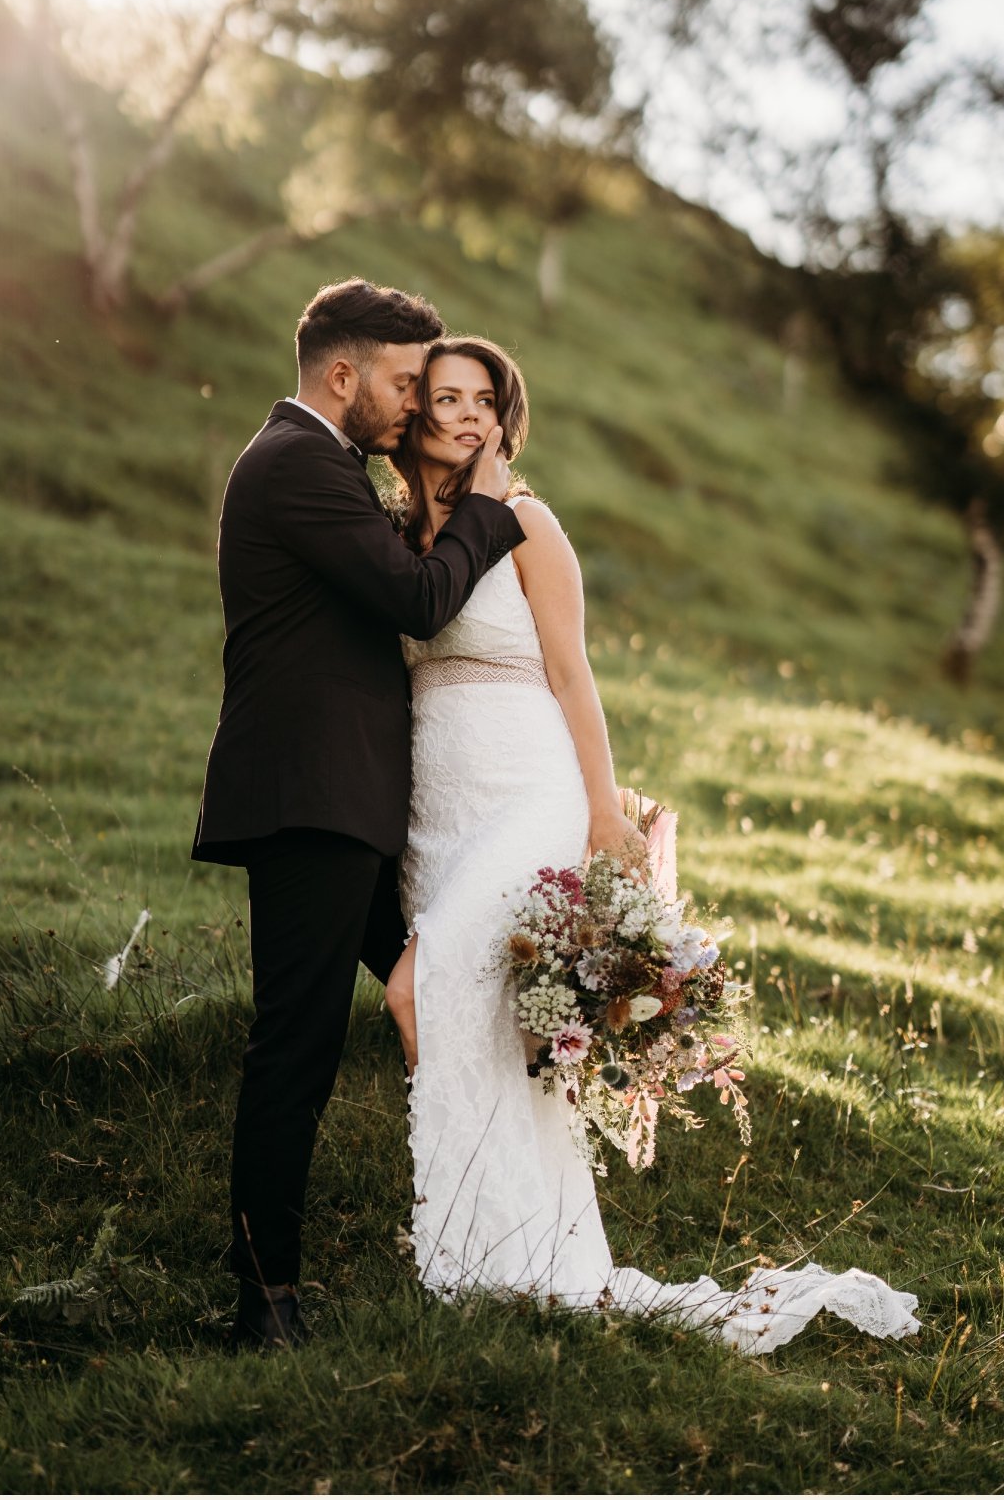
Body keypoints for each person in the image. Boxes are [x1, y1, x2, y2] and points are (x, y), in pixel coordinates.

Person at [383, 337, 921, 1354]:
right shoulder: (402, 537)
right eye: (443, 397)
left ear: (505, 418)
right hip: (440, 817)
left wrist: (601, 809)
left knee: (421, 989)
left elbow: (574, 676)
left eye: (481, 400)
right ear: (414, 416)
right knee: (485, 1020)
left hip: (531, 796)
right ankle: (516, 1249)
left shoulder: (529, 523)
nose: (462, 414)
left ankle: (467, 1245)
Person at [192, 280, 525, 1352]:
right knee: (294, 1047)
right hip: (311, 802)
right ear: (343, 375)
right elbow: (420, 599)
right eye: (399, 382)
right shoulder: (295, 464)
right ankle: (266, 1303)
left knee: (439, 987)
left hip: (346, 804)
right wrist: (491, 506)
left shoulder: (320, 468)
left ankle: (493, 1235)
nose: (413, 404)